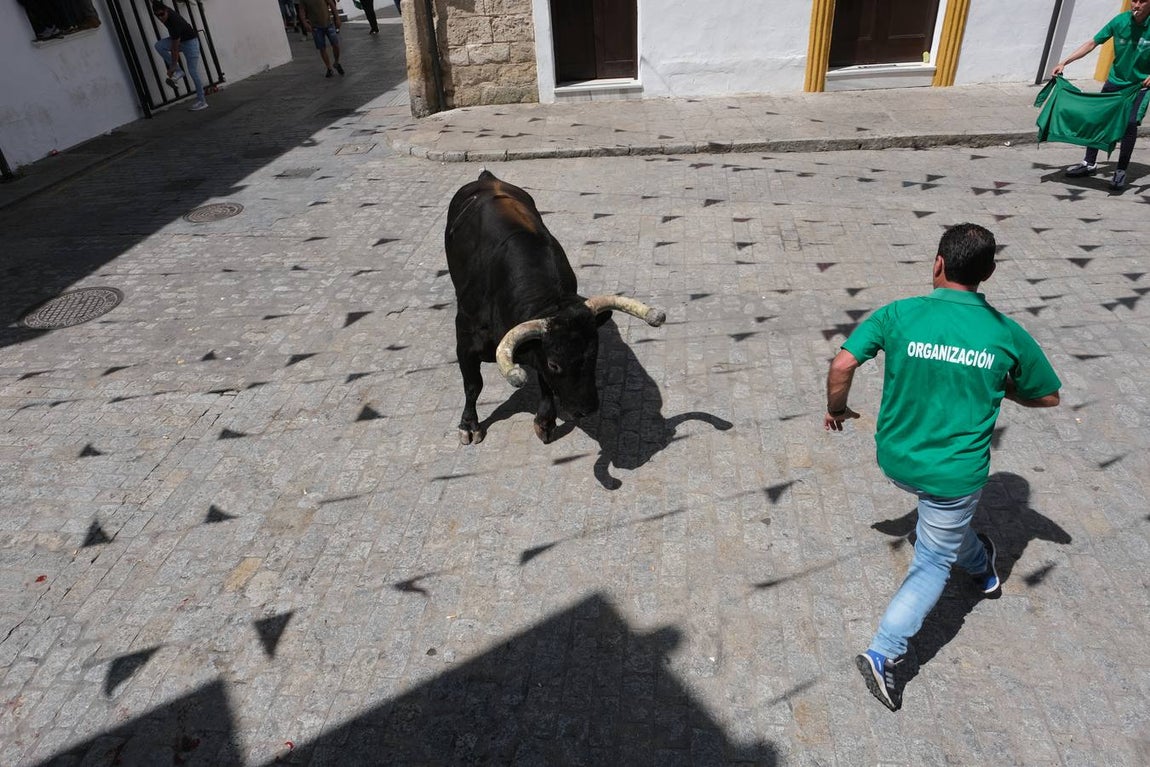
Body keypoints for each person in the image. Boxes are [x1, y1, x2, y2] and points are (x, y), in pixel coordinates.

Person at [823, 224, 1061, 712]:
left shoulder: (898, 313)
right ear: (988, 273)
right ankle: (884, 655)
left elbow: (842, 365)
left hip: (896, 459)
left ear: (936, 263)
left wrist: (838, 410)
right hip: (952, 475)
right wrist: (1002, 385)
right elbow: (1049, 396)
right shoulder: (1005, 333)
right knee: (932, 559)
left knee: (945, 528)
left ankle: (982, 567)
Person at [1052, 0, 1150, 191]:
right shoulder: (1120, 21)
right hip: (1115, 82)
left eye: (1142, 1)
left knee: (1129, 124)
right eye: (1133, 0)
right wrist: (1065, 62)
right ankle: (1089, 163)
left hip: (1139, 87)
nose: (1136, 5)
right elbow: (1092, 43)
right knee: (1099, 120)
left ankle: (1121, 171)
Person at [152, 2, 208, 111]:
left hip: (191, 44)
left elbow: (175, 49)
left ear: (167, 10)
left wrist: (172, 66)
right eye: (157, 15)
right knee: (159, 45)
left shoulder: (174, 24)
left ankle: (202, 101)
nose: (160, 18)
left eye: (162, 14)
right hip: (182, 41)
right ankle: (179, 72)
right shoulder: (165, 12)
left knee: (192, 71)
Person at [297, 0, 344, 78]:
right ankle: (329, 68)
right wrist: (305, 23)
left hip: (328, 23)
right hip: (316, 27)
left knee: (335, 44)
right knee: (322, 48)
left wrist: (337, 18)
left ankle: (336, 62)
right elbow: (301, 10)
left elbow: (332, 4)